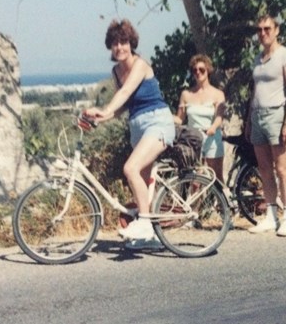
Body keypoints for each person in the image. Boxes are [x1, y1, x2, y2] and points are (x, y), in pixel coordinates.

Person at [84, 19, 175, 245]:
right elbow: (124, 106)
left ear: (131, 43)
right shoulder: (116, 71)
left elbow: (125, 93)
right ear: (110, 47)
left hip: (157, 122)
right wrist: (100, 118)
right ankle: (151, 235)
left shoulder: (140, 65)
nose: (119, 47)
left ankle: (144, 222)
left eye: (124, 42)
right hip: (137, 127)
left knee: (130, 168)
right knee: (140, 184)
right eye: (115, 43)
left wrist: (105, 110)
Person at [245, 14, 286, 237]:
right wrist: (249, 120)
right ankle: (271, 215)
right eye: (259, 30)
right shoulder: (258, 59)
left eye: (267, 29)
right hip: (258, 116)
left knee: (282, 168)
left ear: (276, 30)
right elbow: (255, 92)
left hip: (277, 115)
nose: (263, 33)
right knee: (265, 169)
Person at [174, 54, 226, 183]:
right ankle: (196, 204)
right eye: (194, 70)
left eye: (201, 69)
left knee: (217, 177)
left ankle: (223, 202)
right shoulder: (186, 94)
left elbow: (219, 117)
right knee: (195, 180)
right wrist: (162, 115)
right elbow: (180, 119)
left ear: (208, 70)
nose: (198, 72)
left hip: (212, 138)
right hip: (193, 141)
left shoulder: (218, 94)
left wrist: (213, 127)